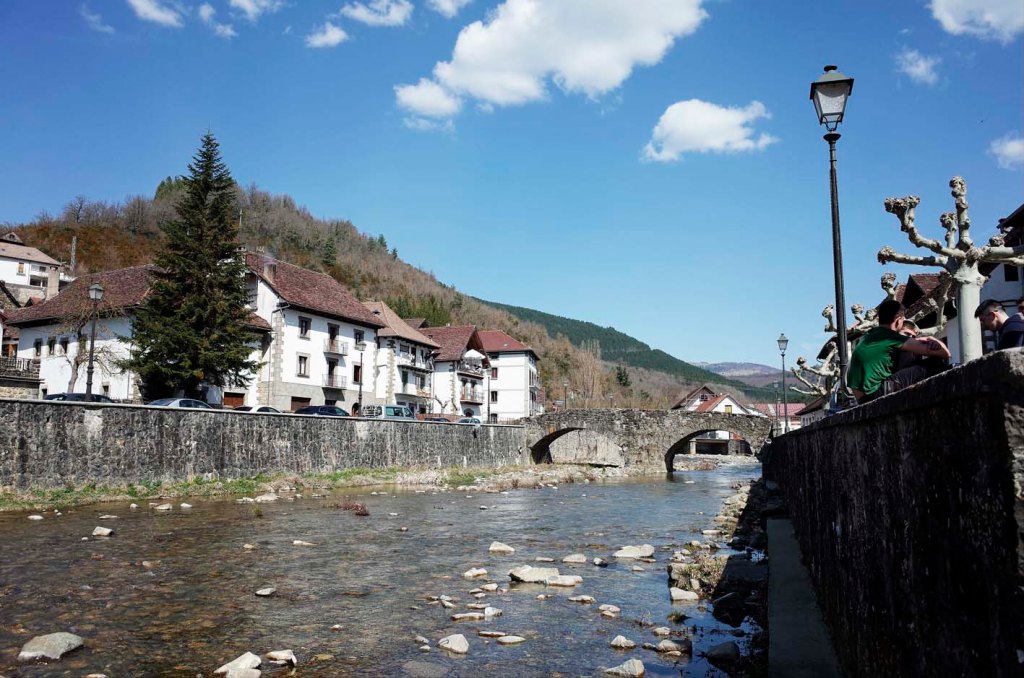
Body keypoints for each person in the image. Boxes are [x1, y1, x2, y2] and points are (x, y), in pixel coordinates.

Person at [848, 299, 952, 404]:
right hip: (877, 393)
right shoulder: (891, 337)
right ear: (898, 320)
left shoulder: (869, 336)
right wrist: (931, 338)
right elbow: (946, 353)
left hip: (862, 398)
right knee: (934, 363)